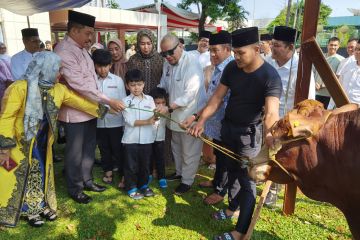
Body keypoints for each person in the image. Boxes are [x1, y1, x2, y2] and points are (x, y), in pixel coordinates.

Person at [189, 27, 282, 240]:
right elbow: (216, 98)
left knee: (247, 181)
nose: (237, 57)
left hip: (249, 136)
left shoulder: (270, 76)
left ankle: (240, 232)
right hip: (227, 129)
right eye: (235, 52)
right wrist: (201, 119)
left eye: (241, 53)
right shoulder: (232, 67)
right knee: (231, 172)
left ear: (257, 49)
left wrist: (270, 137)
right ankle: (232, 207)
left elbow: (271, 112)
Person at [0, 51, 108, 227]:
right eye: (58, 70)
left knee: (42, 172)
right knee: (26, 173)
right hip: (21, 143)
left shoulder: (58, 89)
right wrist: (4, 147)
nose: (61, 73)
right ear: (45, 69)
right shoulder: (19, 88)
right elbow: (6, 118)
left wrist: (104, 109)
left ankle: (41, 205)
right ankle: (30, 210)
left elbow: (80, 102)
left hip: (42, 141)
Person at [54, 10, 125, 204]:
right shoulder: (63, 51)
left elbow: (92, 79)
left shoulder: (83, 49)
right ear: (75, 31)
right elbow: (79, 84)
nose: (90, 37)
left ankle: (87, 180)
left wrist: (100, 101)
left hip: (89, 109)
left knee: (89, 149)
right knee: (75, 152)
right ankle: (75, 188)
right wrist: (108, 100)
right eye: (87, 33)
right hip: (74, 113)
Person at [181, 30, 236, 205]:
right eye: (210, 50)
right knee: (219, 154)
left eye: (216, 50)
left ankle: (221, 190)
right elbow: (212, 97)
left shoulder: (231, 68)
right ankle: (216, 181)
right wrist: (196, 116)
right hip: (215, 121)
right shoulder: (218, 67)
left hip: (226, 122)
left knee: (225, 157)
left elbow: (218, 101)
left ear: (227, 49)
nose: (211, 54)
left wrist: (200, 119)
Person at [264, 26, 316, 207]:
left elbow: (308, 104)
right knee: (264, 155)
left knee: (281, 159)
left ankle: (272, 192)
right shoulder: (268, 64)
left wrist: (290, 127)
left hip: (287, 125)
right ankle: (263, 182)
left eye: (277, 45)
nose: (272, 48)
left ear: (290, 47)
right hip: (265, 120)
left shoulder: (301, 70)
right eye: (272, 44)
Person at [158, 33, 206, 195]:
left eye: (170, 52)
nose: (168, 57)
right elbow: (164, 83)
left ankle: (187, 181)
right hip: (173, 115)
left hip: (190, 115)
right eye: (164, 54)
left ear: (180, 46)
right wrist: (155, 96)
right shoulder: (168, 63)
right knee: (176, 146)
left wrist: (169, 107)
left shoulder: (192, 62)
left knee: (189, 151)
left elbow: (190, 93)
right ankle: (179, 173)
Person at [92, 49, 127, 188]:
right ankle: (108, 171)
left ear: (110, 65)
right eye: (99, 66)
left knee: (117, 148)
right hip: (99, 122)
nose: (102, 70)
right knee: (104, 148)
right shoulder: (91, 81)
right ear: (94, 65)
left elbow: (123, 101)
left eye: (105, 66)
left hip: (116, 122)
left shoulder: (118, 80)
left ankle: (121, 171)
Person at [122, 69, 156, 200]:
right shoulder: (125, 101)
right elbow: (129, 121)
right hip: (131, 140)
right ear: (127, 86)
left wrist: (156, 119)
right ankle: (131, 187)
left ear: (144, 84)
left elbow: (155, 116)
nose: (136, 88)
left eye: (139, 84)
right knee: (131, 165)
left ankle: (143, 185)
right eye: (132, 85)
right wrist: (148, 121)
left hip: (147, 139)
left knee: (145, 164)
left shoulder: (150, 99)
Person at [127, 29, 164, 94]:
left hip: (156, 99)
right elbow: (129, 80)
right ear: (138, 44)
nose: (146, 47)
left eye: (149, 43)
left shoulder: (160, 59)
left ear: (153, 43)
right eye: (142, 44)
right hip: (137, 98)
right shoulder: (133, 60)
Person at [315, 37, 344, 108]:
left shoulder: (341, 60)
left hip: (329, 95)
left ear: (338, 46)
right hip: (315, 92)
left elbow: (338, 78)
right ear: (327, 45)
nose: (333, 47)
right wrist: (314, 83)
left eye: (335, 45)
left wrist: (322, 85)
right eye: (331, 45)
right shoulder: (319, 56)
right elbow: (312, 72)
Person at [148, 87, 168, 189]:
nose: (161, 105)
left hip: (160, 138)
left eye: (163, 102)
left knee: (160, 158)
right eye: (157, 103)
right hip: (148, 138)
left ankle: (162, 177)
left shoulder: (167, 111)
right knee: (149, 157)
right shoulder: (147, 110)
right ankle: (149, 174)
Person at [337, 39, 360, 105]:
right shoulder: (348, 65)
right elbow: (340, 84)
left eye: (359, 49)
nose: (357, 52)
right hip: (343, 105)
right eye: (356, 49)